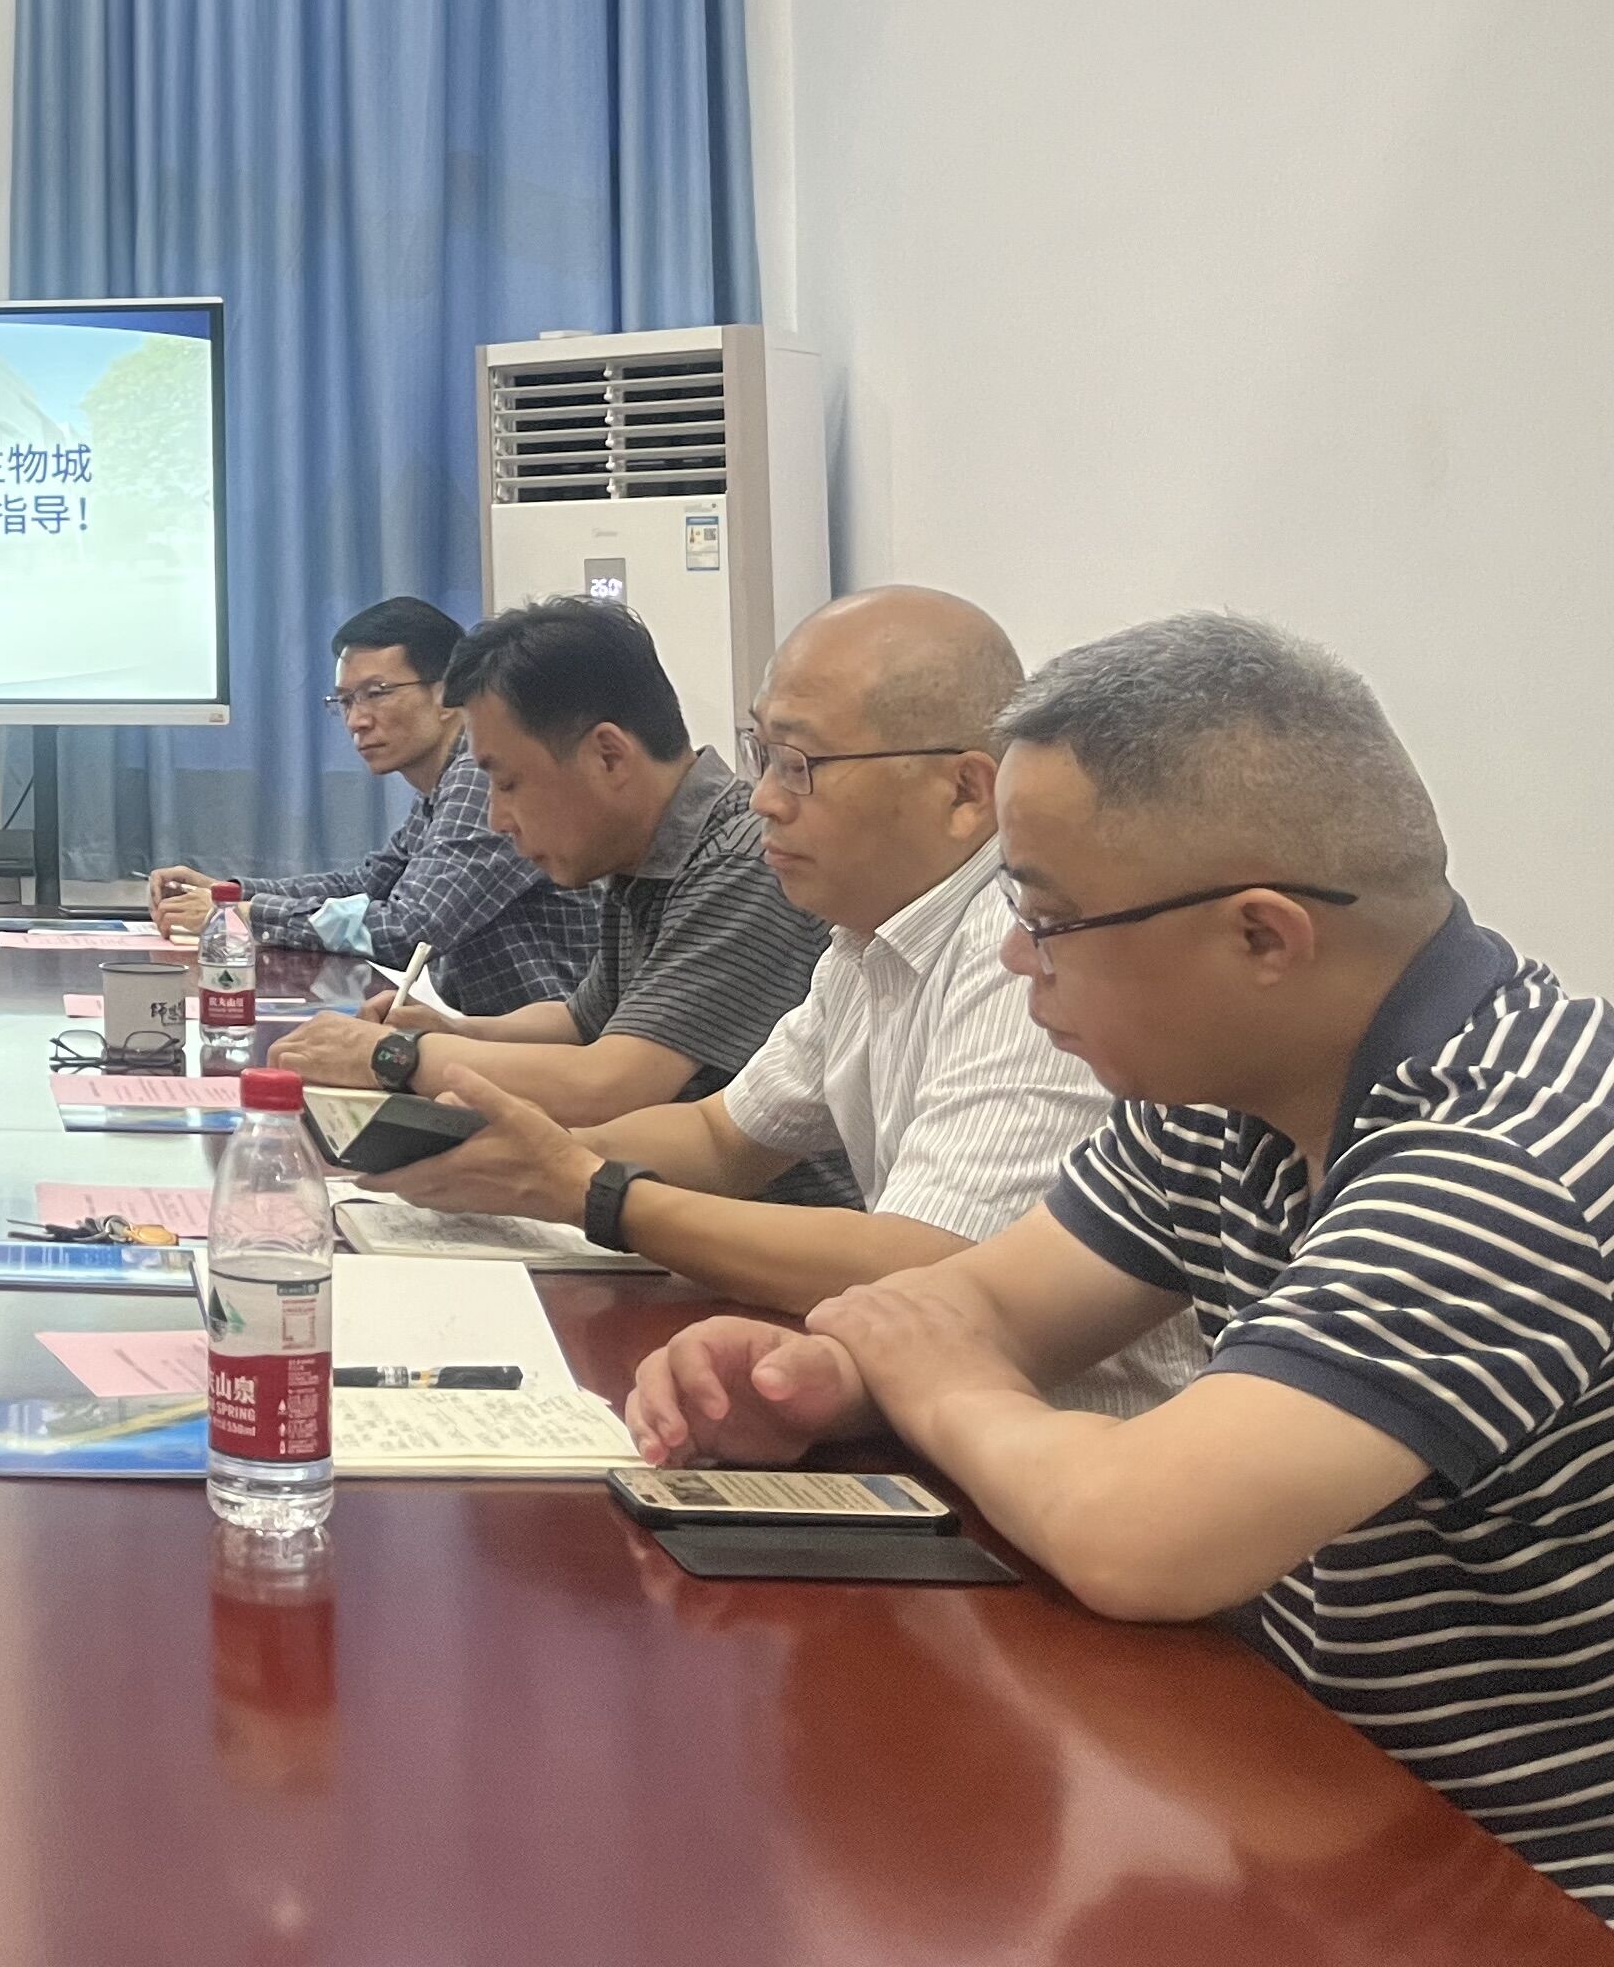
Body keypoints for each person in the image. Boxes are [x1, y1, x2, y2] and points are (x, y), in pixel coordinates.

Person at [626, 615, 1614, 1915]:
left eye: (1049, 919)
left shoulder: (1507, 1161)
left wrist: (936, 1381)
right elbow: (989, 1304)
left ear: (1263, 939)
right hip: (1306, 1796)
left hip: (1509, 1892)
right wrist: (819, 1378)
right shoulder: (1233, 1088)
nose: (1013, 959)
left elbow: (1140, 1534)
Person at [366, 589, 1196, 1408]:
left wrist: (586, 1187)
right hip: (917, 1403)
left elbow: (924, 1262)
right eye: (760, 754)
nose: (762, 796)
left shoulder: (1019, 952)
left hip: (1073, 1444)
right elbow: (722, 1136)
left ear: (964, 793)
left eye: (798, 766)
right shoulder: (863, 938)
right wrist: (527, 1157)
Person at [275, 594, 850, 1205]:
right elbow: (580, 1022)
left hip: (755, 1223)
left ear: (608, 755)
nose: (497, 818)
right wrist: (456, 1030)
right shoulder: (644, 854)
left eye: (508, 782)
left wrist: (397, 1055)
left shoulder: (741, 864)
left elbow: (610, 1083)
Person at [148, 594, 596, 1015]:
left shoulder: (480, 779)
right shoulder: (443, 785)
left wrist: (244, 915)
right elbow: (366, 884)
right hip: (498, 1037)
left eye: (377, 692)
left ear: (447, 695)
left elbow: (407, 928)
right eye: (345, 701)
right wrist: (229, 894)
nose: (357, 720)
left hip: (557, 1047)